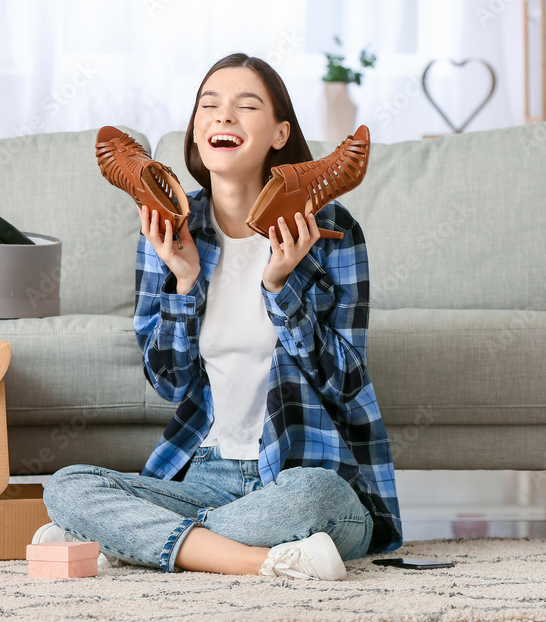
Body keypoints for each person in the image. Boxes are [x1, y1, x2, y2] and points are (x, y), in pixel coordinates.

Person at [37, 53, 402, 580]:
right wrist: (185, 282)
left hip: (306, 476)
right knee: (67, 486)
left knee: (311, 498)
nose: (222, 116)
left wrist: (280, 285)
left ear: (280, 133)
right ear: (195, 130)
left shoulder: (328, 230)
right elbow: (168, 382)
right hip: (206, 474)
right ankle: (258, 560)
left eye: (245, 105)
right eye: (208, 105)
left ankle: (134, 541)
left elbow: (346, 382)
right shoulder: (168, 227)